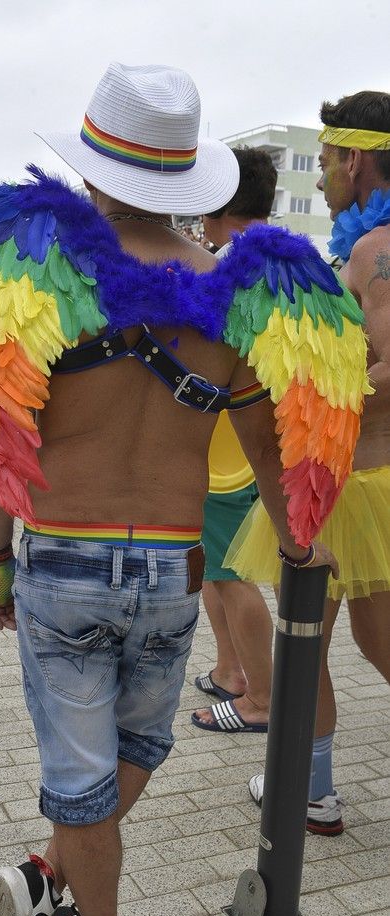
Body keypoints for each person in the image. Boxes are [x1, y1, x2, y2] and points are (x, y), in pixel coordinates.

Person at [0, 64, 362, 916]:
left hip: (63, 558)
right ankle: (48, 882)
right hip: (169, 568)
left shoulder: (37, 283)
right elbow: (271, 449)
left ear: (96, 170)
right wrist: (299, 538)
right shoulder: (236, 296)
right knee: (142, 745)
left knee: (83, 774)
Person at [227, 89, 390, 836]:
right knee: (360, 638)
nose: (322, 176)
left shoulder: (375, 250)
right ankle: (310, 782)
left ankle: (312, 791)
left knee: (305, 639)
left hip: (352, 483)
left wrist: (312, 389)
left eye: (325, 162)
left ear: (355, 160)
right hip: (366, 480)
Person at [190, 148, 277, 733]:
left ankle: (262, 699)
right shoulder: (277, 260)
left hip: (230, 449)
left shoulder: (234, 270)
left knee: (230, 572)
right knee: (218, 567)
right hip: (239, 442)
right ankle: (231, 670)